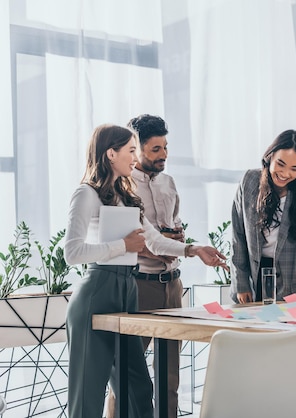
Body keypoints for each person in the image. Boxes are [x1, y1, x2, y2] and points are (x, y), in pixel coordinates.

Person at [64, 124, 227, 418]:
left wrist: (193, 250)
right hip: (97, 293)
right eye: (130, 151)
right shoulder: (85, 194)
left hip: (127, 292)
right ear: (110, 154)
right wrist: (123, 245)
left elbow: (154, 240)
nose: (134, 157)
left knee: (138, 388)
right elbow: (72, 252)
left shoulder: (126, 195)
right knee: (87, 395)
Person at [105, 114, 184, 418]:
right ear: (135, 148)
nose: (163, 155)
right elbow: (142, 236)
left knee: (170, 375)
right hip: (140, 286)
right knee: (127, 376)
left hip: (172, 286)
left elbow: (174, 226)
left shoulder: (169, 182)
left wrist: (176, 237)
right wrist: (165, 241)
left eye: (165, 147)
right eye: (155, 149)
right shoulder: (123, 185)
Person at [230, 129, 296, 303]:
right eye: (280, 164)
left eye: (295, 168)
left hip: (292, 287)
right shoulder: (249, 182)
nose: (285, 174)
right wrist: (241, 283)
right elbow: (238, 236)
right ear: (270, 157)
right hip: (253, 280)